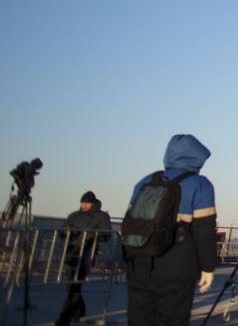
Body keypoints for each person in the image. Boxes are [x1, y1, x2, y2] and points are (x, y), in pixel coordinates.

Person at [125, 134, 218, 326]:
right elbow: (204, 232)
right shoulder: (200, 185)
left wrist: (126, 260)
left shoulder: (146, 181)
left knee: (139, 319)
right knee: (172, 319)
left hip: (141, 263)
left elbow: (129, 223)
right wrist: (208, 267)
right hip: (177, 264)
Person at [56, 191, 112, 325]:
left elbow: (106, 233)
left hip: (87, 253)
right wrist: (64, 232)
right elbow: (64, 228)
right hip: (71, 251)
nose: (84, 205)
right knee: (73, 285)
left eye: (87, 202)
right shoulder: (73, 215)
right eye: (82, 202)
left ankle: (65, 316)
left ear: (92, 203)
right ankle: (78, 312)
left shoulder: (101, 216)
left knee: (75, 284)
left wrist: (90, 235)